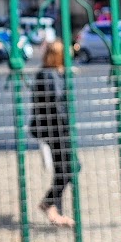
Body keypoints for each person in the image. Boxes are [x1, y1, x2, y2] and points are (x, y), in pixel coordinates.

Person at [28, 40, 76, 227]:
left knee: (63, 169)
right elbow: (55, 105)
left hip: (54, 129)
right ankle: (49, 204)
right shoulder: (49, 76)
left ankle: (54, 210)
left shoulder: (49, 73)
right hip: (56, 130)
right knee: (69, 168)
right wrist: (66, 125)